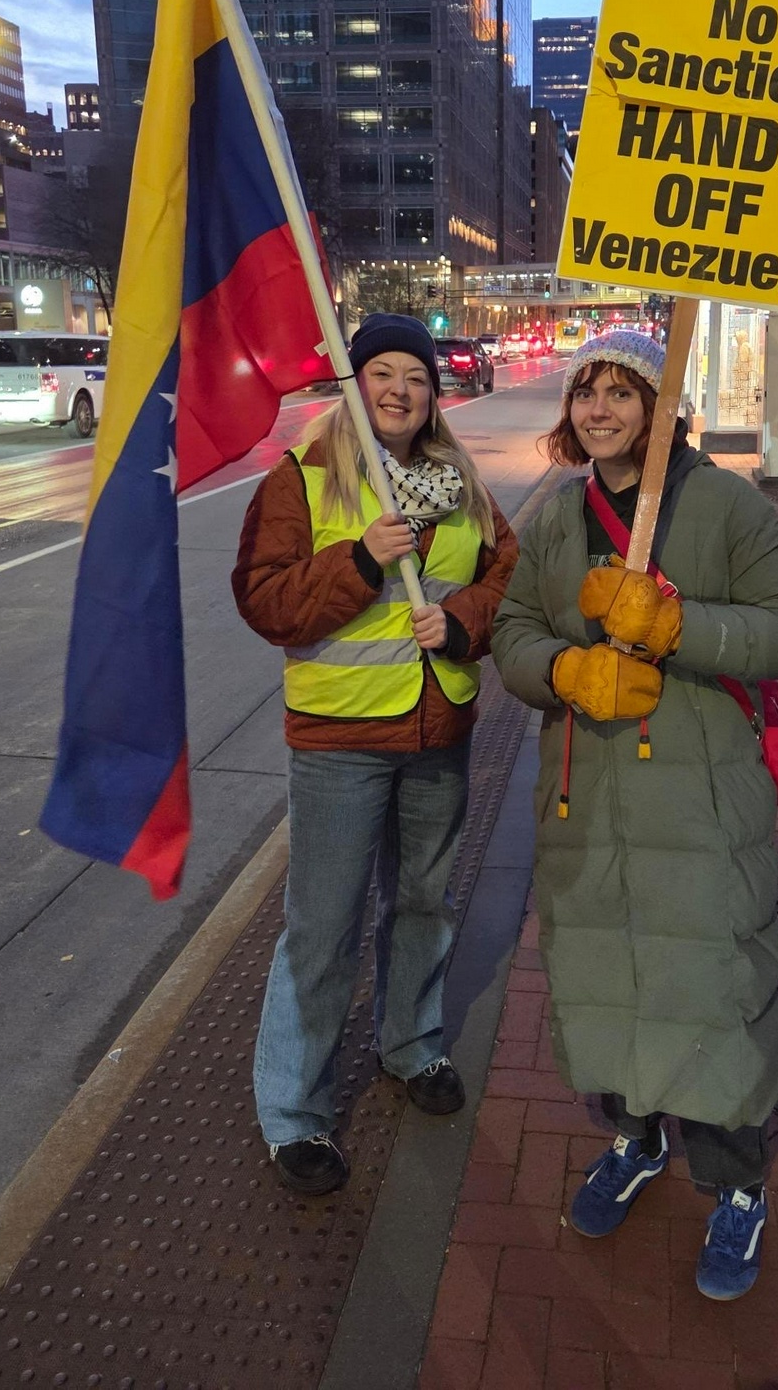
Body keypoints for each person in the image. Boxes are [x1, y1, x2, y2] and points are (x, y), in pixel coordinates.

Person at [491, 329, 778, 1300]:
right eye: (585, 392)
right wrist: (564, 668)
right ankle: (633, 1142)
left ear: (659, 404)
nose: (598, 409)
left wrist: (677, 627)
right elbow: (512, 630)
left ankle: (735, 1187)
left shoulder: (725, 504)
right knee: (600, 979)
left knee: (709, 992)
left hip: (698, 805)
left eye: (620, 392)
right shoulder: (555, 517)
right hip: (584, 806)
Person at [233, 313, 518, 1195]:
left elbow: (507, 571)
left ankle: (411, 1047)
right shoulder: (306, 476)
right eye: (382, 373)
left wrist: (465, 619)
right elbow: (265, 600)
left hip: (439, 734)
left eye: (416, 377)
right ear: (354, 385)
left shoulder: (458, 479)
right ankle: (294, 1114)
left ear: (437, 394)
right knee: (323, 928)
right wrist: (360, 561)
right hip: (342, 744)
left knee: (425, 905)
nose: (399, 390)